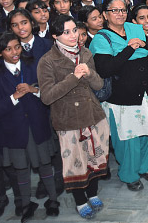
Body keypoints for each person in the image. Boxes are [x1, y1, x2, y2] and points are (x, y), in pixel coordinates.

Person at [37, 15, 108, 219]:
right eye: (66, 32)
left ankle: (92, 193)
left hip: (93, 114)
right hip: (68, 119)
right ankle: (80, 200)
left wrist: (89, 74)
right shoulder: (48, 61)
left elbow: (99, 85)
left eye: (74, 30)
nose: (73, 36)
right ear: (55, 36)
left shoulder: (85, 52)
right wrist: (74, 77)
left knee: (95, 158)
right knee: (75, 163)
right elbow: (47, 96)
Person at [89, 0, 148, 191]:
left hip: (146, 93)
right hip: (122, 98)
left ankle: (145, 167)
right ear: (105, 14)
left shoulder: (135, 28)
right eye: (115, 10)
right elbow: (106, 69)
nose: (120, 14)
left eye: (123, 10)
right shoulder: (101, 38)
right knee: (127, 139)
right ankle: (129, 174)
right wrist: (130, 49)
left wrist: (143, 46)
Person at [0, 32, 60, 222]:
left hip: (38, 125)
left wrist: (34, 90)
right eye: (8, 49)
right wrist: (13, 98)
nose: (15, 52)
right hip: (14, 131)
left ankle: (53, 200)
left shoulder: (33, 65)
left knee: (45, 165)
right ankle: (26, 205)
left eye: (17, 47)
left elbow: (49, 92)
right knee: (21, 169)